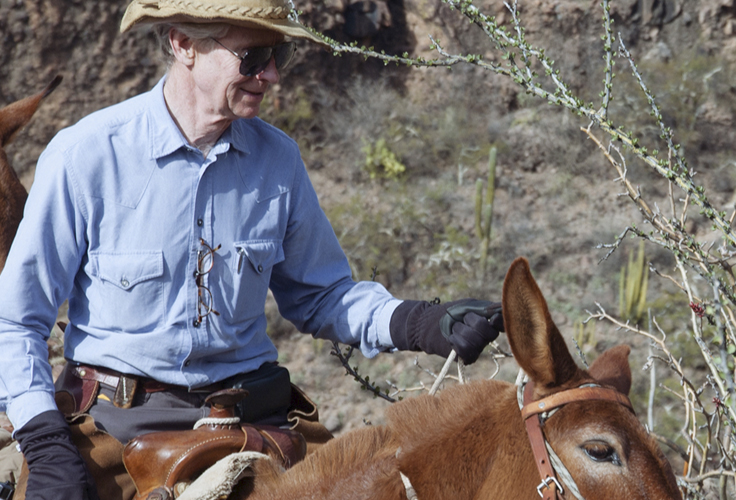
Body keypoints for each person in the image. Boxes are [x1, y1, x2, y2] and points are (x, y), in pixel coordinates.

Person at [0, 1, 503, 498]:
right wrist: (45, 445)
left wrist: (420, 323)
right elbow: (16, 321)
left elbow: (322, 296)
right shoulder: (85, 156)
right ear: (184, 45)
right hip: (115, 430)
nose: (272, 76)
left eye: (278, 58)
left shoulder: (278, 159)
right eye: (254, 57)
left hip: (252, 422)